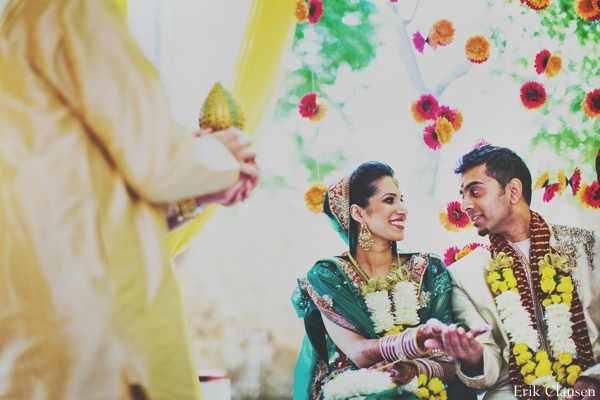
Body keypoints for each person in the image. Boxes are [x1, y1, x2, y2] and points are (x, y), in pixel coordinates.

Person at [0, 1, 259, 399]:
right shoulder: (69, 7)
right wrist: (225, 154)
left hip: (39, 334)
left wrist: (199, 194)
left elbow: (89, 197)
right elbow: (156, 160)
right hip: (100, 331)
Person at [291, 161, 478, 400]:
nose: (403, 209)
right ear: (358, 213)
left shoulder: (429, 270)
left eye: (402, 199)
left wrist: (412, 371)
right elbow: (357, 352)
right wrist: (415, 339)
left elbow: (448, 364)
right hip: (355, 391)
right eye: (390, 200)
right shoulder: (329, 275)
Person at [425, 145, 600, 400]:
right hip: (513, 392)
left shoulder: (588, 247)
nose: (465, 205)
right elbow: (488, 365)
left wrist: (595, 379)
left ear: (513, 191)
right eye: (462, 195)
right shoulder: (463, 274)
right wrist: (473, 357)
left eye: (475, 191)